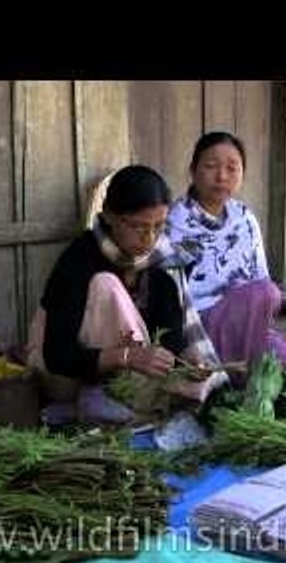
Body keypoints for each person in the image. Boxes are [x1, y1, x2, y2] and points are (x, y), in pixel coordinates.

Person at [26, 165, 225, 425]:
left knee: (203, 383)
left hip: (129, 381)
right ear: (109, 216)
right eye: (138, 226)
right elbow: (58, 356)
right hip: (64, 376)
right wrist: (128, 357)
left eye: (159, 226)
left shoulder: (162, 267)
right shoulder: (79, 260)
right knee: (106, 285)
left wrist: (188, 363)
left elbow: (171, 346)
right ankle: (90, 403)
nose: (150, 239)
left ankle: (111, 404)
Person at [165, 131, 286, 374]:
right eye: (211, 166)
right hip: (198, 328)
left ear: (242, 174)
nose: (221, 176)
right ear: (192, 170)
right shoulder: (173, 221)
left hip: (246, 321)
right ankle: (225, 370)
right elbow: (169, 298)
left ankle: (235, 366)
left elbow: (259, 277)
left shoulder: (245, 218)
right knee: (265, 293)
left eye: (232, 168)